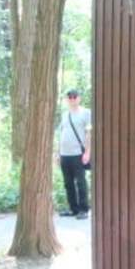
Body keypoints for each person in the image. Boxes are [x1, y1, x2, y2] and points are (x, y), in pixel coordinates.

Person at [57, 89, 92, 219]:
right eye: (69, 97)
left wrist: (87, 152)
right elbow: (61, 133)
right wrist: (58, 153)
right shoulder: (64, 115)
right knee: (68, 183)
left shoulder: (86, 113)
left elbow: (89, 133)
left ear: (79, 98)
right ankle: (73, 209)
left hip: (78, 153)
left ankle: (84, 210)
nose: (72, 99)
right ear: (67, 99)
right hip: (64, 154)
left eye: (74, 96)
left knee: (81, 182)